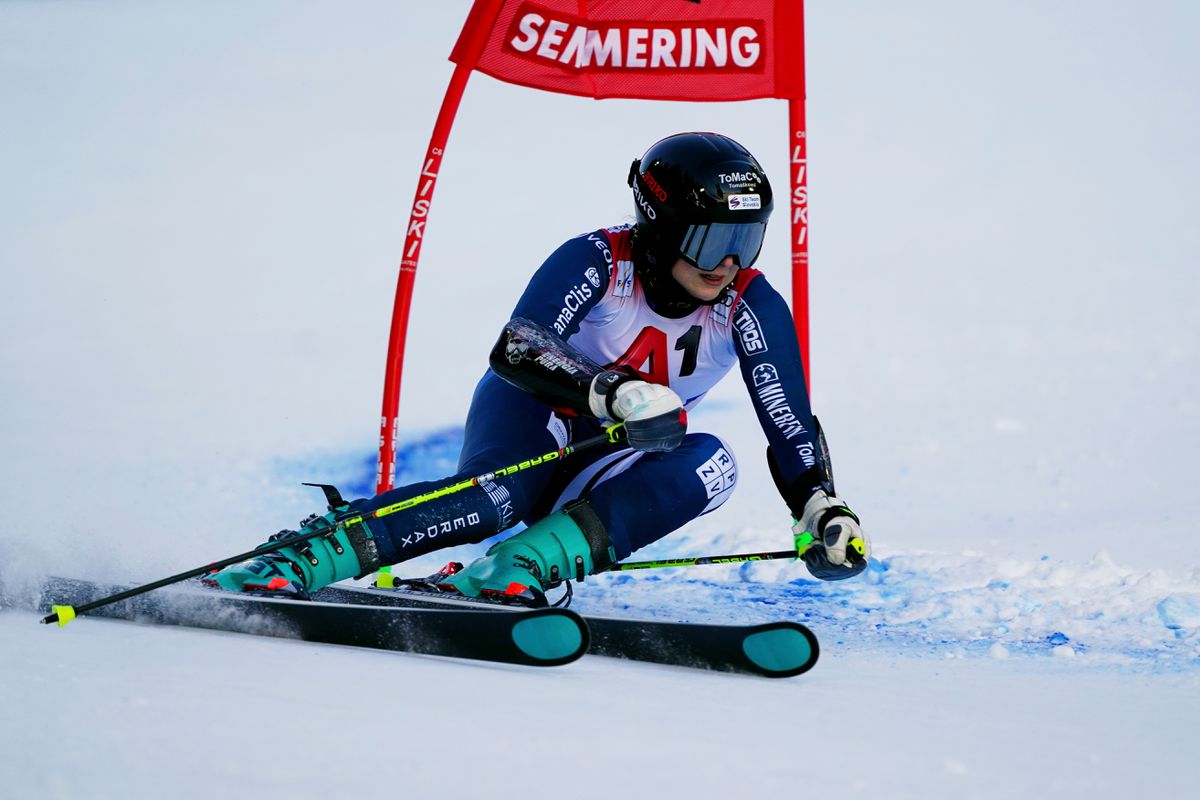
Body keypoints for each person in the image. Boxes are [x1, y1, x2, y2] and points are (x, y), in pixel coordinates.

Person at [206, 131, 871, 604]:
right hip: (531, 413)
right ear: (662, 225)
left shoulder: (748, 304)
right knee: (495, 498)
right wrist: (609, 390)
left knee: (712, 462)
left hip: (608, 453)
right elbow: (517, 348)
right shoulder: (597, 260)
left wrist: (819, 505)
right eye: (711, 240)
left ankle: (517, 568)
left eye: (746, 240)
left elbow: (787, 421)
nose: (728, 262)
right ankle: (306, 555)